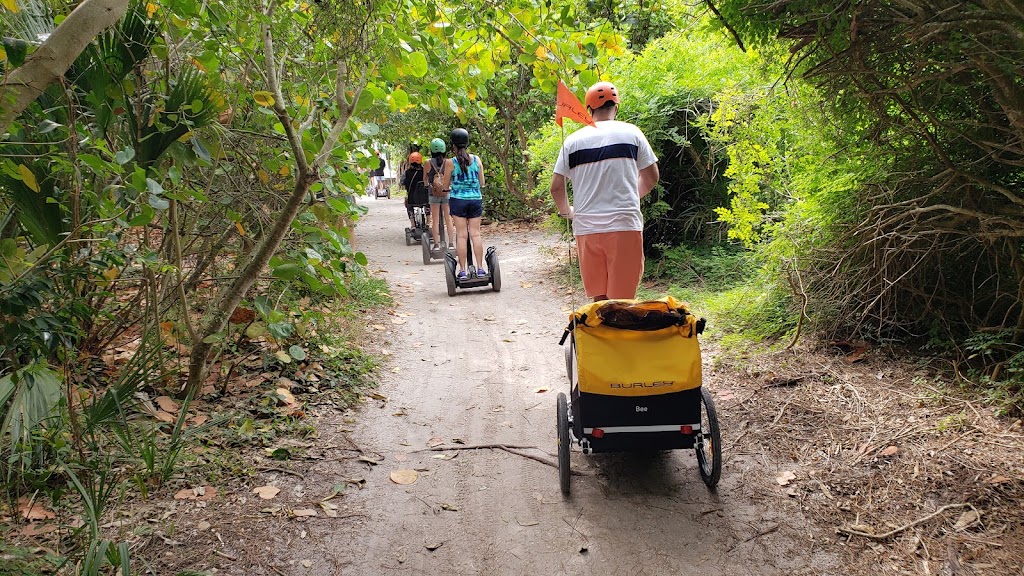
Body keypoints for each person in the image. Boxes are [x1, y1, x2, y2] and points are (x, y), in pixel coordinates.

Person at [549, 81, 660, 302]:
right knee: (622, 301)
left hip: (587, 228)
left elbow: (556, 187)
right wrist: (630, 196)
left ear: (589, 109)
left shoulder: (572, 141)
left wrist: (567, 212)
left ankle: (600, 336)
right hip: (624, 226)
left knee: (599, 301)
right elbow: (651, 177)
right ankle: (620, 336)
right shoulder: (632, 133)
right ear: (616, 107)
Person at [443, 128, 487, 279]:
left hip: (458, 201)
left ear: (453, 145)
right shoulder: (477, 160)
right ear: (467, 143)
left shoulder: (450, 163)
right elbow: (482, 182)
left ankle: (462, 271)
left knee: (461, 235)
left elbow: (445, 185)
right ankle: (480, 268)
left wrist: (447, 187)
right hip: (475, 200)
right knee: (475, 234)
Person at [424, 138, 455, 251]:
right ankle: (451, 244)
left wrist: (428, 185)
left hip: (434, 195)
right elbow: (452, 177)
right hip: (446, 193)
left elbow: (425, 180)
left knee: (435, 220)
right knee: (448, 219)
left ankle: (436, 245)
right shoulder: (449, 162)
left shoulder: (428, 163)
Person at [402, 152, 426, 228]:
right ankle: (428, 223)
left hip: (412, 198)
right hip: (425, 198)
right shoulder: (425, 171)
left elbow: (402, 182)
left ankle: (413, 224)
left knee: (408, 205)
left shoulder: (407, 173)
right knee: (428, 204)